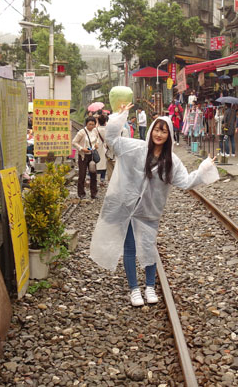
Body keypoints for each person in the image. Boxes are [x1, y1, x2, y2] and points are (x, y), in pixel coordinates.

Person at [89, 102, 220, 307]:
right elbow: (113, 140)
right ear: (151, 130)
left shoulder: (172, 161)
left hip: (150, 211)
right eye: (157, 129)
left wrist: (204, 169)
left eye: (164, 131)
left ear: (169, 136)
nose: (159, 134)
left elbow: (185, 182)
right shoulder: (137, 147)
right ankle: (134, 289)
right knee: (130, 249)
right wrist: (120, 116)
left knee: (149, 247)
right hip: (129, 208)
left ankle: (149, 286)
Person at [72, 117, 100, 200]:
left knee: (93, 175)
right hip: (83, 156)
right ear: (86, 124)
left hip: (92, 155)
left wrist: (97, 144)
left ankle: (94, 193)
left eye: (93, 124)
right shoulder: (82, 132)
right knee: (82, 174)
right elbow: (74, 142)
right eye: (89, 124)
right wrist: (81, 148)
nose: (91, 126)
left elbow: (97, 139)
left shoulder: (95, 131)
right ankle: (81, 193)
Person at [96, 115, 110, 187]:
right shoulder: (107, 129)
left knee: (96, 162)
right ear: (105, 121)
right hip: (105, 148)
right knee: (104, 164)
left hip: (97, 147)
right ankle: (102, 179)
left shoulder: (96, 129)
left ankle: (91, 177)